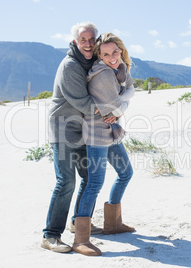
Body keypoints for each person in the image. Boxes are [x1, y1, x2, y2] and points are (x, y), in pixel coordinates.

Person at [41, 22, 105, 253]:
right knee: (66, 181)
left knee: (89, 177)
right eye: (83, 39)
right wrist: (112, 111)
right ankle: (50, 235)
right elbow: (85, 103)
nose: (88, 43)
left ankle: (79, 222)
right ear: (76, 41)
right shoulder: (70, 65)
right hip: (64, 129)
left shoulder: (92, 62)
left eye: (92, 39)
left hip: (83, 129)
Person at [72, 33, 135, 257]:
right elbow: (117, 102)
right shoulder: (104, 74)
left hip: (111, 130)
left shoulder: (120, 70)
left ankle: (113, 224)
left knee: (125, 172)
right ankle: (81, 239)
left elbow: (131, 90)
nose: (111, 58)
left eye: (115, 52)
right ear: (99, 55)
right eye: (106, 54)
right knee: (95, 183)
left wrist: (120, 106)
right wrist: (122, 105)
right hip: (98, 133)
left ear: (121, 50)